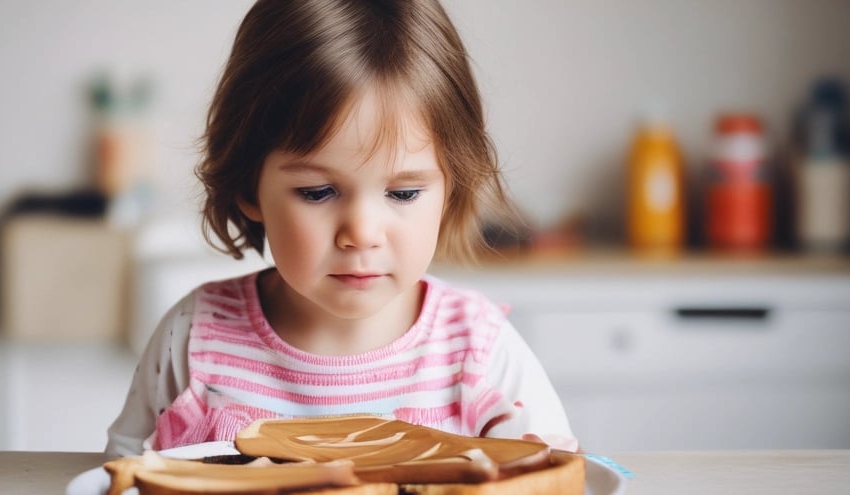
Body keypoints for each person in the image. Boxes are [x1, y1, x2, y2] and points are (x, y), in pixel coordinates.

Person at [106, 0, 577, 458]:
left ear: (451, 186)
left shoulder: (480, 350)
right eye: (317, 192)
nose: (362, 234)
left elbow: (555, 472)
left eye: (404, 194)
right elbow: (123, 472)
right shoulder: (193, 338)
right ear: (248, 185)